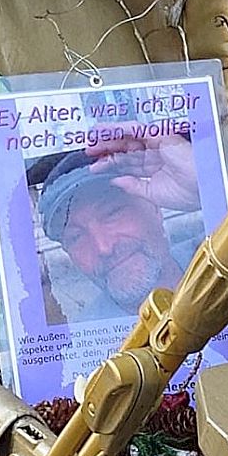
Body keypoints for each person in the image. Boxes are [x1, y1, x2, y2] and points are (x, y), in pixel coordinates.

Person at [34, 131, 203, 319]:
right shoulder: (85, 342)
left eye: (111, 214)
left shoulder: (219, 255)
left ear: (153, 207)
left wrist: (201, 187)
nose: (103, 247)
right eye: (76, 237)